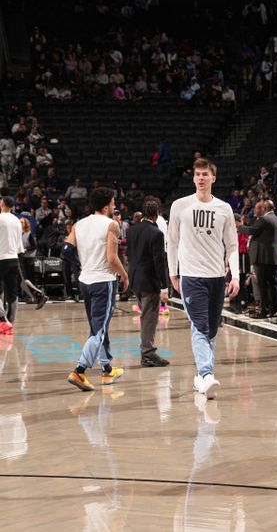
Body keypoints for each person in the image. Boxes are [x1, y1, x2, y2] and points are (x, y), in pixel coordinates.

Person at [168, 158, 240, 399]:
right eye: (197, 174)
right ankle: (207, 374)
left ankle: (201, 375)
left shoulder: (224, 209)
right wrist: (173, 272)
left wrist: (236, 276)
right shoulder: (180, 206)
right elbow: (173, 242)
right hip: (191, 276)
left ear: (213, 178)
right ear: (193, 178)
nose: (200, 178)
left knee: (211, 329)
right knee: (199, 326)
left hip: (217, 277)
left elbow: (231, 245)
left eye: (205, 174)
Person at [62, 187, 128, 391]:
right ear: (107, 205)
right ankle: (79, 371)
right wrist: (124, 275)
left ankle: (107, 367)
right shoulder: (112, 225)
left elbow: (66, 251)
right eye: (114, 202)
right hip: (103, 281)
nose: (115, 205)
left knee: (98, 326)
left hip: (85, 281)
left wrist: (82, 263)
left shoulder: (79, 225)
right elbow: (111, 257)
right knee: (99, 329)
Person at [126, 197, 170, 367]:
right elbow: (159, 262)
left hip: (135, 279)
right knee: (149, 319)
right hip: (149, 282)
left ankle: (147, 351)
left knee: (145, 318)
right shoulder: (157, 232)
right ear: (157, 214)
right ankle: (148, 354)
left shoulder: (132, 230)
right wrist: (164, 286)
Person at [238, 199, 277, 319]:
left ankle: (264, 311)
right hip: (273, 257)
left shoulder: (265, 219)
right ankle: (273, 310)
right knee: (271, 284)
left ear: (265, 208)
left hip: (262, 257)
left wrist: (240, 226)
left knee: (263, 285)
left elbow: (251, 230)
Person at [0, 197, 25, 334]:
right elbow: (20, 245)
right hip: (14, 259)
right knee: (12, 294)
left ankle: (2, 321)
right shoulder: (17, 220)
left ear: (2, 204)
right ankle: (10, 324)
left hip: (1, 258)